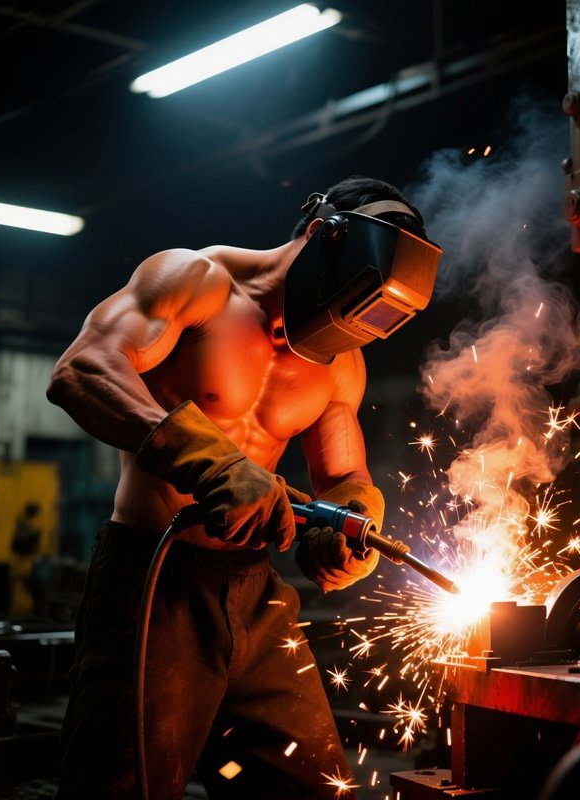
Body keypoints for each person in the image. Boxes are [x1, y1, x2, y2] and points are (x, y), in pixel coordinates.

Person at [46, 175, 440, 799]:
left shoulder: (340, 357)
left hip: (257, 596)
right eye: (356, 301)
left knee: (317, 788)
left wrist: (351, 523)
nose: (356, 331)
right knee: (122, 786)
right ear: (321, 237)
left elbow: (343, 477)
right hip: (154, 582)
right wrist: (210, 462)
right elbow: (81, 371)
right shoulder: (194, 283)